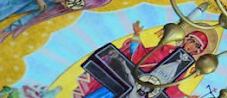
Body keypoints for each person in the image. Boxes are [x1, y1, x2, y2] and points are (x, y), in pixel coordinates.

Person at [76, 21, 208, 97]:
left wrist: (186, 97)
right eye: (192, 42)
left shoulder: (183, 66)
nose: (192, 47)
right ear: (186, 40)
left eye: (197, 47)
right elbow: (141, 55)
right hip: (124, 83)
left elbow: (171, 88)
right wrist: (137, 36)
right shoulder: (165, 49)